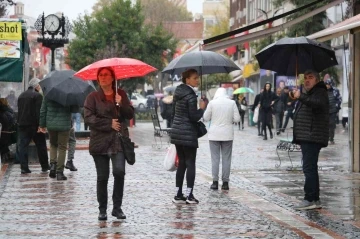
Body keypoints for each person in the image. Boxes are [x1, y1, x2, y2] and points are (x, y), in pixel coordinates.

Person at [84, 67, 134, 221]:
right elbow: (88, 118)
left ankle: (117, 208)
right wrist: (108, 123)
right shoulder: (92, 97)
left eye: (106, 75)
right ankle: (102, 209)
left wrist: (122, 104)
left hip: (118, 140)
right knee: (102, 176)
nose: (103, 77)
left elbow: (130, 114)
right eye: (100, 75)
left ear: (113, 78)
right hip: (99, 141)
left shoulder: (121, 94)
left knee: (119, 172)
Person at [292, 70, 329, 210]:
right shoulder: (311, 92)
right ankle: (315, 199)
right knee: (311, 167)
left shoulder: (319, 91)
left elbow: (316, 104)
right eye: (305, 78)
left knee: (308, 168)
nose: (307, 80)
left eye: (310, 78)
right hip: (308, 135)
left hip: (312, 135)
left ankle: (309, 198)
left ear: (317, 80)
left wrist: (301, 96)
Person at [170, 69, 206, 204]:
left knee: (182, 164)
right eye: (195, 78)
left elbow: (173, 113)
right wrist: (202, 108)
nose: (198, 80)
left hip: (177, 132)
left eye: (198, 78)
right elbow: (193, 117)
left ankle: (178, 194)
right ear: (187, 80)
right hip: (188, 134)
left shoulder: (178, 93)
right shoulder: (191, 96)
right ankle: (189, 195)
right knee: (190, 163)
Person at [203, 87, 240, 190]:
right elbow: (237, 119)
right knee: (226, 159)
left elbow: (206, 118)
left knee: (215, 159)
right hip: (227, 135)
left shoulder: (212, 103)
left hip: (214, 134)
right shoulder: (232, 103)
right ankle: (225, 183)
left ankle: (215, 182)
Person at [39, 95, 79, 181]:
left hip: (51, 125)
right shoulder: (68, 94)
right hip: (64, 125)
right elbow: (74, 110)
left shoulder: (48, 94)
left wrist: (42, 125)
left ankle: (53, 165)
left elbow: (43, 110)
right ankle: (60, 172)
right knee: (62, 147)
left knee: (53, 145)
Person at [17, 78, 50, 174]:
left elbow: (19, 111)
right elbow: (39, 112)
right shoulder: (37, 96)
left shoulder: (21, 96)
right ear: (36, 86)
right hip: (34, 125)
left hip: (22, 125)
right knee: (41, 146)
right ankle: (44, 166)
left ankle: (24, 167)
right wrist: (41, 125)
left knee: (23, 146)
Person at [324, 79, 342, 144]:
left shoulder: (335, 91)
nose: (327, 86)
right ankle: (326, 137)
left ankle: (331, 138)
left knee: (331, 124)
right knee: (325, 125)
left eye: (328, 84)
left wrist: (336, 106)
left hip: (333, 111)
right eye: (326, 84)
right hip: (325, 111)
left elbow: (339, 99)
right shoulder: (323, 91)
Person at [0, 98, 16, 163]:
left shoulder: (2, 111)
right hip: (9, 132)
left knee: (3, 145)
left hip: (3, 132)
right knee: (5, 145)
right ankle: (6, 157)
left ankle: (4, 157)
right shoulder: (10, 110)